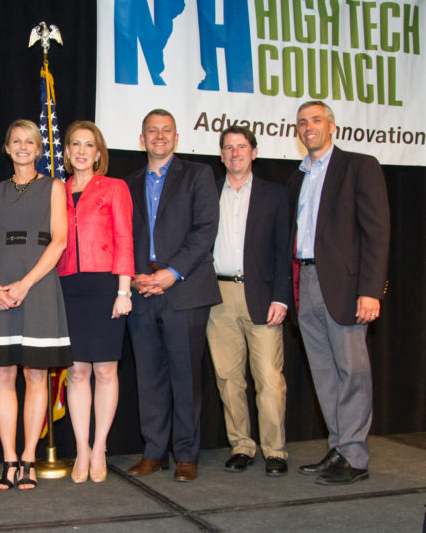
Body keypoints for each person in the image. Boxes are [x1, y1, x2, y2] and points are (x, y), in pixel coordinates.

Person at [288, 101, 390, 485]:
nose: (308, 126)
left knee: (353, 372)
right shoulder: (298, 177)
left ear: (332, 126)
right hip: (307, 282)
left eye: (315, 120)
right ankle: (340, 447)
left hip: (346, 287)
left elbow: (377, 232)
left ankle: (356, 457)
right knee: (325, 373)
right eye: (302, 122)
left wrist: (370, 290)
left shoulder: (359, 166)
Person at [0, 119, 71, 490]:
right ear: (7, 148)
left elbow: (59, 242)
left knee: (35, 374)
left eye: (30, 141)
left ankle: (29, 458)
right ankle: (9, 459)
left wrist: (26, 284)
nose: (23, 146)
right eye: (16, 141)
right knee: (2, 374)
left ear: (40, 149)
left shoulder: (55, 187)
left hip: (39, 286)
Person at [124, 109, 220, 482]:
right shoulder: (128, 184)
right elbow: (122, 234)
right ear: (142, 139)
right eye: (152, 131)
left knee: (185, 376)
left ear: (176, 138)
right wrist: (134, 276)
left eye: (166, 131)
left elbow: (204, 230)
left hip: (184, 288)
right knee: (149, 377)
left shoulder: (198, 175)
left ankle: (186, 454)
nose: (159, 136)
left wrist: (169, 273)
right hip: (141, 289)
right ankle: (154, 452)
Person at [206, 126, 290, 477]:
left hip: (261, 295)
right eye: (228, 148)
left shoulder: (276, 195)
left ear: (254, 152)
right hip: (217, 297)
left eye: (242, 147)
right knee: (228, 378)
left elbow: (284, 250)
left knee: (269, 379)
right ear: (221, 155)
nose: (235, 153)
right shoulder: (208, 193)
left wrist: (281, 297)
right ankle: (241, 444)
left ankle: (275, 451)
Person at [56, 121, 134, 483]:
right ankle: (81, 450)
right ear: (68, 152)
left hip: (106, 286)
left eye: (89, 145)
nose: (82, 151)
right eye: (76, 144)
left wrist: (124, 291)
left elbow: (124, 238)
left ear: (99, 153)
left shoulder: (115, 187)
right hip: (67, 286)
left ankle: (100, 446)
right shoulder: (56, 189)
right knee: (76, 372)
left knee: (105, 370)